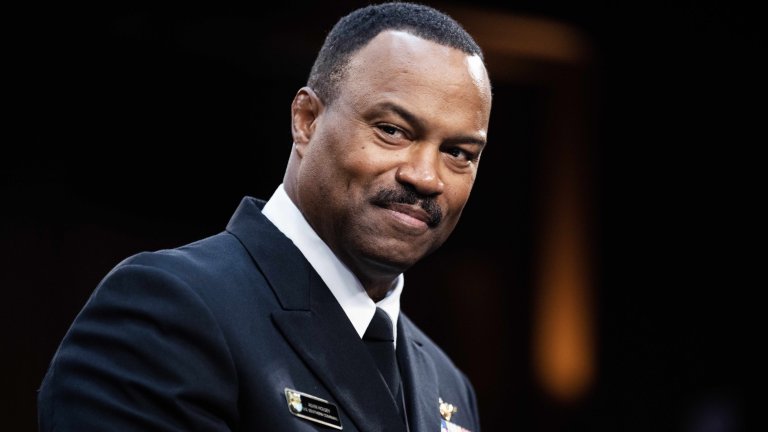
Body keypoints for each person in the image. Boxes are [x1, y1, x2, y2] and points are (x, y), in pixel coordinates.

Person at [37, 2, 492, 431]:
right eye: (392, 130)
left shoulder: (448, 385)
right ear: (307, 120)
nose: (425, 177)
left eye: (458, 152)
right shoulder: (167, 311)